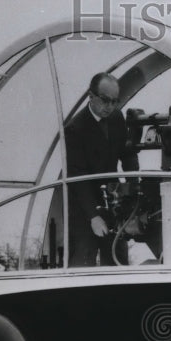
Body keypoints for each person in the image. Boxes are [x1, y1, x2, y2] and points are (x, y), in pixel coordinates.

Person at [64, 72, 140, 266]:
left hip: (112, 201)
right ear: (91, 96)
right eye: (106, 100)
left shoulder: (116, 117)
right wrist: (93, 216)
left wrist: (133, 189)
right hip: (84, 207)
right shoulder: (75, 129)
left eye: (115, 101)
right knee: (83, 260)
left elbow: (127, 154)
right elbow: (77, 176)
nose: (110, 107)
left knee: (117, 259)